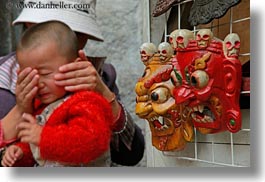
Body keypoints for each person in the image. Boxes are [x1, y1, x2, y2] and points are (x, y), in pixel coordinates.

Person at [0, 0, 144, 166]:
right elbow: (30, 147)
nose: (63, 35)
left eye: (76, 32)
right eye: (49, 26)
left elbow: (131, 155)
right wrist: (21, 113)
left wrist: (104, 95)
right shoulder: (4, 78)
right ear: (29, 25)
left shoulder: (99, 76)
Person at [1, 20, 114, 167]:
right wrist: (20, 152)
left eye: (45, 73)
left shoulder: (86, 101)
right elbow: (38, 150)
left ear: (75, 66)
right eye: (30, 76)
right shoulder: (40, 106)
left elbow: (92, 142)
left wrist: (43, 137)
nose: (38, 83)